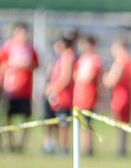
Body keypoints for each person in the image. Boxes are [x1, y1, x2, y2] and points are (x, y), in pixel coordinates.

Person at [0, 22, 39, 152]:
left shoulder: (30, 49)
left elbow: (36, 65)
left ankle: (21, 144)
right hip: (10, 89)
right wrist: (15, 65)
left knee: (26, 117)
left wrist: (27, 65)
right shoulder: (8, 48)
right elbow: (2, 65)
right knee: (9, 116)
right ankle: (10, 143)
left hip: (26, 90)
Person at [45, 36, 75, 155]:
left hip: (63, 97)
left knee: (63, 123)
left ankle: (64, 148)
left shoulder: (68, 56)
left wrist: (52, 89)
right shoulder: (60, 57)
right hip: (57, 97)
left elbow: (66, 77)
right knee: (55, 122)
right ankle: (56, 146)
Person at [103, 39, 131, 157]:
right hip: (126, 95)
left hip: (120, 96)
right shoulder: (129, 60)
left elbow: (112, 81)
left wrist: (105, 78)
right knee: (124, 123)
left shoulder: (121, 61)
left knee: (120, 122)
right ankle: (122, 148)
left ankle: (121, 149)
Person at [72, 35, 102, 155]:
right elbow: (75, 75)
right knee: (81, 123)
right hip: (79, 96)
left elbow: (89, 77)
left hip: (89, 96)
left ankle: (88, 148)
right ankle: (84, 147)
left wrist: (81, 77)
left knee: (87, 123)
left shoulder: (95, 60)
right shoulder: (82, 59)